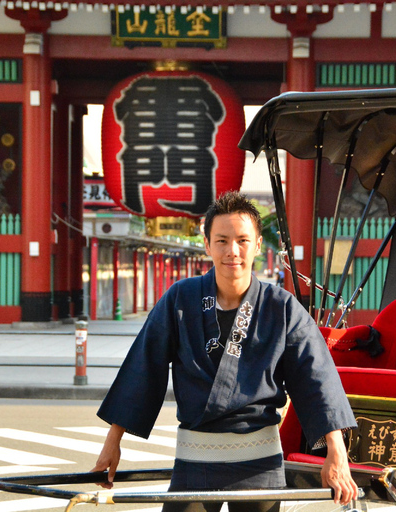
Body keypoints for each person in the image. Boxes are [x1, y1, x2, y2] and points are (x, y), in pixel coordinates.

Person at [92, 191, 358, 512]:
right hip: (196, 458)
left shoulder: (282, 307)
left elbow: (315, 379)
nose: (233, 251)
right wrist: (112, 442)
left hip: (259, 461)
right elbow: (143, 367)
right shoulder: (181, 299)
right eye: (222, 240)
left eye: (243, 240)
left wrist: (336, 453)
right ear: (207, 245)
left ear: (258, 245)